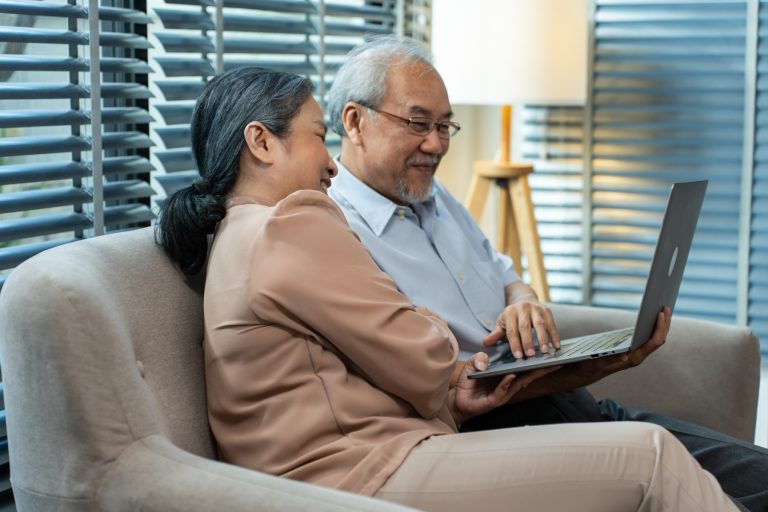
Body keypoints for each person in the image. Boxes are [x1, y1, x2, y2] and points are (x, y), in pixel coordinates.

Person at [155, 66, 736, 511]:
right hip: (360, 470)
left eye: (443, 125)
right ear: (261, 143)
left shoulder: (235, 235)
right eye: (316, 136)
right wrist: (433, 333)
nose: (329, 164)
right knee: (652, 453)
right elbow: (426, 352)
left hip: (334, 466)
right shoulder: (291, 222)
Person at [326, 36, 768, 512]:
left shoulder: (435, 196)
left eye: (444, 126)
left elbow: (508, 276)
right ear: (355, 122)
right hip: (493, 431)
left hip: (572, 406)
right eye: (418, 123)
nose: (436, 145)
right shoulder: (329, 229)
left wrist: (524, 302)